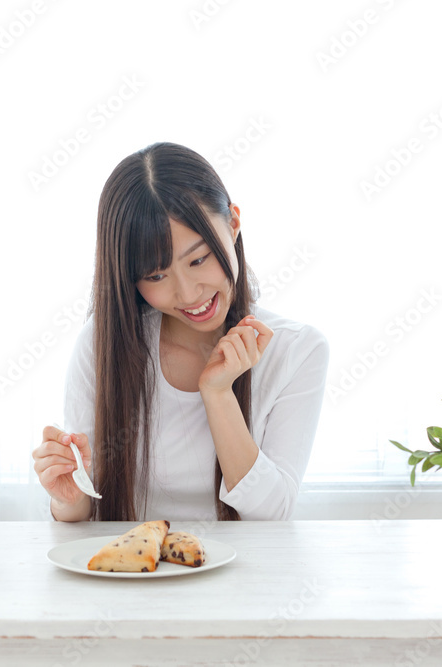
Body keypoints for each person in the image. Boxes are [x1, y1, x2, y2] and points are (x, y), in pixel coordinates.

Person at [31, 142, 329, 522]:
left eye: (199, 259)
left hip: (247, 580)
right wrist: (67, 498)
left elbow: (272, 515)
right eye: (156, 275)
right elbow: (85, 507)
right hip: (134, 575)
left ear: (233, 224)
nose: (188, 293)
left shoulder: (298, 350)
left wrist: (218, 395)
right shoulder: (103, 345)